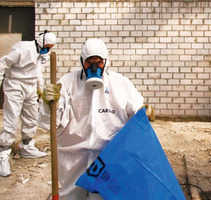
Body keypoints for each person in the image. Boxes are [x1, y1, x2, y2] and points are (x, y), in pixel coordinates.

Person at [39, 38, 155, 200]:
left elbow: (137, 110)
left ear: (106, 62)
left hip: (107, 156)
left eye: (98, 62)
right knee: (71, 196)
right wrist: (48, 104)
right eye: (89, 62)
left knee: (102, 196)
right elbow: (49, 123)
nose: (93, 67)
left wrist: (144, 113)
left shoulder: (120, 84)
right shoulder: (66, 83)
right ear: (82, 62)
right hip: (73, 156)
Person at [0, 30, 57, 177]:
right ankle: (4, 152)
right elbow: (3, 63)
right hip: (15, 84)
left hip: (30, 86)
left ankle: (27, 146)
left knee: (31, 118)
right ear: (40, 42)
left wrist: (40, 90)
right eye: (47, 46)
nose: (48, 49)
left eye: (50, 47)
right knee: (12, 119)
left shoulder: (44, 54)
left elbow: (39, 73)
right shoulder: (23, 48)